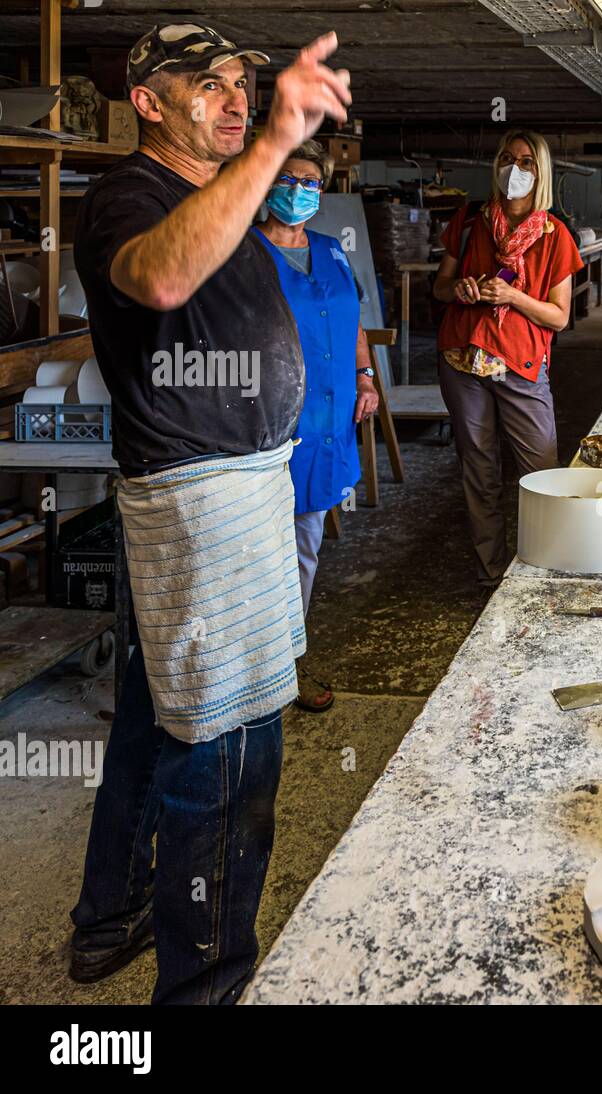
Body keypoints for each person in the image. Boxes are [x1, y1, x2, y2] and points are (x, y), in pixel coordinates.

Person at [69, 23, 351, 1004]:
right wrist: (277, 139)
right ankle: (205, 989)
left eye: (244, 84)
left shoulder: (214, 196)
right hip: (202, 506)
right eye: (210, 85)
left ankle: (110, 917)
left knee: (155, 722)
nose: (235, 99)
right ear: (148, 100)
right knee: (229, 760)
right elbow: (162, 279)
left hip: (239, 488)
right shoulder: (129, 197)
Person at [253, 139, 377, 713]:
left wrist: (367, 377)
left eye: (312, 182)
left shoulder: (332, 251)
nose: (301, 190)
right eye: (289, 177)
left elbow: (353, 322)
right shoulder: (244, 254)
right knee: (256, 551)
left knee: (305, 546)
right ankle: (249, 670)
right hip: (267, 426)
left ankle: (288, 662)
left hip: (330, 420)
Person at [432, 130, 584, 587]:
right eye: (506, 158)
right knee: (478, 469)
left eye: (525, 162)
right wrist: (457, 289)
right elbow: (440, 286)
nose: (513, 169)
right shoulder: (468, 221)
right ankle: (492, 573)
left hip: (519, 364)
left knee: (540, 470)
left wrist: (514, 295)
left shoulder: (556, 235)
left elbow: (558, 317)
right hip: (463, 360)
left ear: (540, 172)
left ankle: (547, 570)